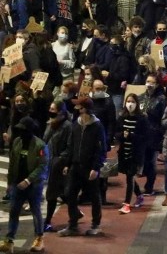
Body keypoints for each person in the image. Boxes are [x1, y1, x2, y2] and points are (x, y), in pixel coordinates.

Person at [58, 96, 107, 237]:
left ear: (85, 109)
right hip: (75, 166)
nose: (76, 109)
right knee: (69, 194)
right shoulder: (76, 124)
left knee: (94, 196)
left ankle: (96, 224)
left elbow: (102, 149)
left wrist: (96, 168)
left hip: (90, 167)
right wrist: (68, 163)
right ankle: (73, 223)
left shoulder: (97, 126)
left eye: (79, 107)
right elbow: (71, 145)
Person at [0, 117, 48, 253]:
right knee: (14, 211)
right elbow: (12, 163)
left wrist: (28, 180)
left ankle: (39, 238)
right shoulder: (16, 142)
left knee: (35, 210)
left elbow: (42, 166)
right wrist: (10, 183)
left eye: (23, 130)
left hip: (33, 185)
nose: (21, 132)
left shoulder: (40, 145)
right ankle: (9, 241)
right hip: (17, 184)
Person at [42, 100, 73, 234]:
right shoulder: (50, 124)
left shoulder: (67, 126)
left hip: (58, 163)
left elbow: (69, 146)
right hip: (49, 161)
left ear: (61, 111)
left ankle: (47, 221)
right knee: (61, 192)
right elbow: (45, 139)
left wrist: (62, 160)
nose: (51, 111)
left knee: (52, 193)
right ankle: (75, 212)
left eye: (53, 109)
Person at [116, 93, 148, 214]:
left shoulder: (142, 119)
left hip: (136, 153)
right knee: (129, 176)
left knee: (130, 177)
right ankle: (139, 195)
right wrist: (122, 136)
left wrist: (131, 136)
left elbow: (145, 137)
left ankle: (126, 204)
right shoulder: (122, 118)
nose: (130, 104)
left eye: (132, 102)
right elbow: (117, 132)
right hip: (125, 152)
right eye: (128, 101)